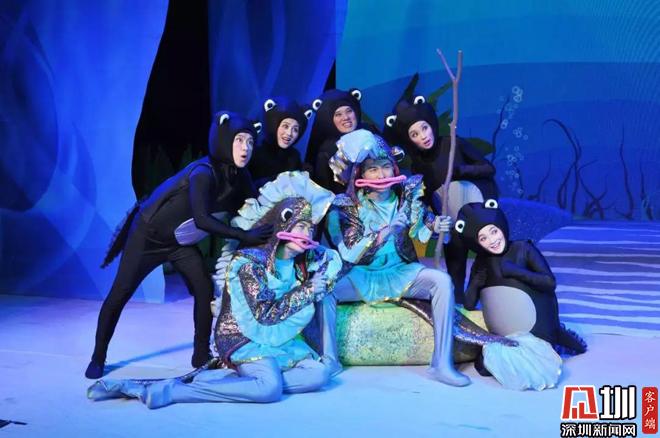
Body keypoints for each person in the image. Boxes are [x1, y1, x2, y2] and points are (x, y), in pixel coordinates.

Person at [87, 171, 343, 408]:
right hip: (245, 337)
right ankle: (171, 391)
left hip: (277, 340)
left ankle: (241, 381)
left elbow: (332, 262)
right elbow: (263, 315)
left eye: (310, 228)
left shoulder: (302, 262)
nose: (307, 234)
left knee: (319, 374)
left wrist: (321, 277)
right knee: (269, 390)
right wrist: (308, 290)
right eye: (301, 226)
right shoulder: (249, 263)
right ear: (283, 224)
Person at [85, 112, 272, 379]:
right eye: (239, 140)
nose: (246, 148)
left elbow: (255, 204)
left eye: (250, 141)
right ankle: (98, 356)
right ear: (223, 139)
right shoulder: (203, 173)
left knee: (204, 288)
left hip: (179, 243)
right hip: (147, 238)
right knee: (121, 292)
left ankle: (200, 354)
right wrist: (243, 235)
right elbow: (202, 219)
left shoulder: (239, 176)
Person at [323, 129, 471, 386]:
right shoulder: (344, 206)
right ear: (360, 174)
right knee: (325, 289)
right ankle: (329, 359)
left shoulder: (407, 196)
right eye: (373, 169)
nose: (381, 175)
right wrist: (386, 232)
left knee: (442, 282)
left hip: (401, 271)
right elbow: (348, 252)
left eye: (385, 167)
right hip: (363, 275)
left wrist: (437, 226)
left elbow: (421, 225)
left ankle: (441, 364)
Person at [386, 96, 498, 303]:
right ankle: (458, 302)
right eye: (414, 134)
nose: (423, 136)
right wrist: (432, 221)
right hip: (452, 221)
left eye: (424, 128)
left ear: (432, 124)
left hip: (479, 214)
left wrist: (461, 170)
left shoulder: (453, 143)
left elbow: (488, 168)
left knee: (489, 259)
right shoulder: (418, 165)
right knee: (455, 263)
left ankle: (493, 297)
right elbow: (426, 197)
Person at [456, 200, 587, 356]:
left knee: (547, 352)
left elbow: (549, 282)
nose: (492, 241)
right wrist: (475, 284)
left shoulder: (523, 248)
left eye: (494, 231)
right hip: (504, 334)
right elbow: (469, 304)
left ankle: (558, 337)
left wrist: (516, 272)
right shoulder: (481, 262)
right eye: (483, 238)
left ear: (501, 227)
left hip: (539, 327)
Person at [304, 88, 365, 193]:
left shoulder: (369, 135)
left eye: (349, 111)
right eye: (338, 114)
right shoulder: (326, 152)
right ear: (329, 119)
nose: (345, 117)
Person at [248, 97, 313, 188]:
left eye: (295, 129)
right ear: (274, 124)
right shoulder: (255, 154)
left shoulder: (294, 157)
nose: (289, 133)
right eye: (285, 126)